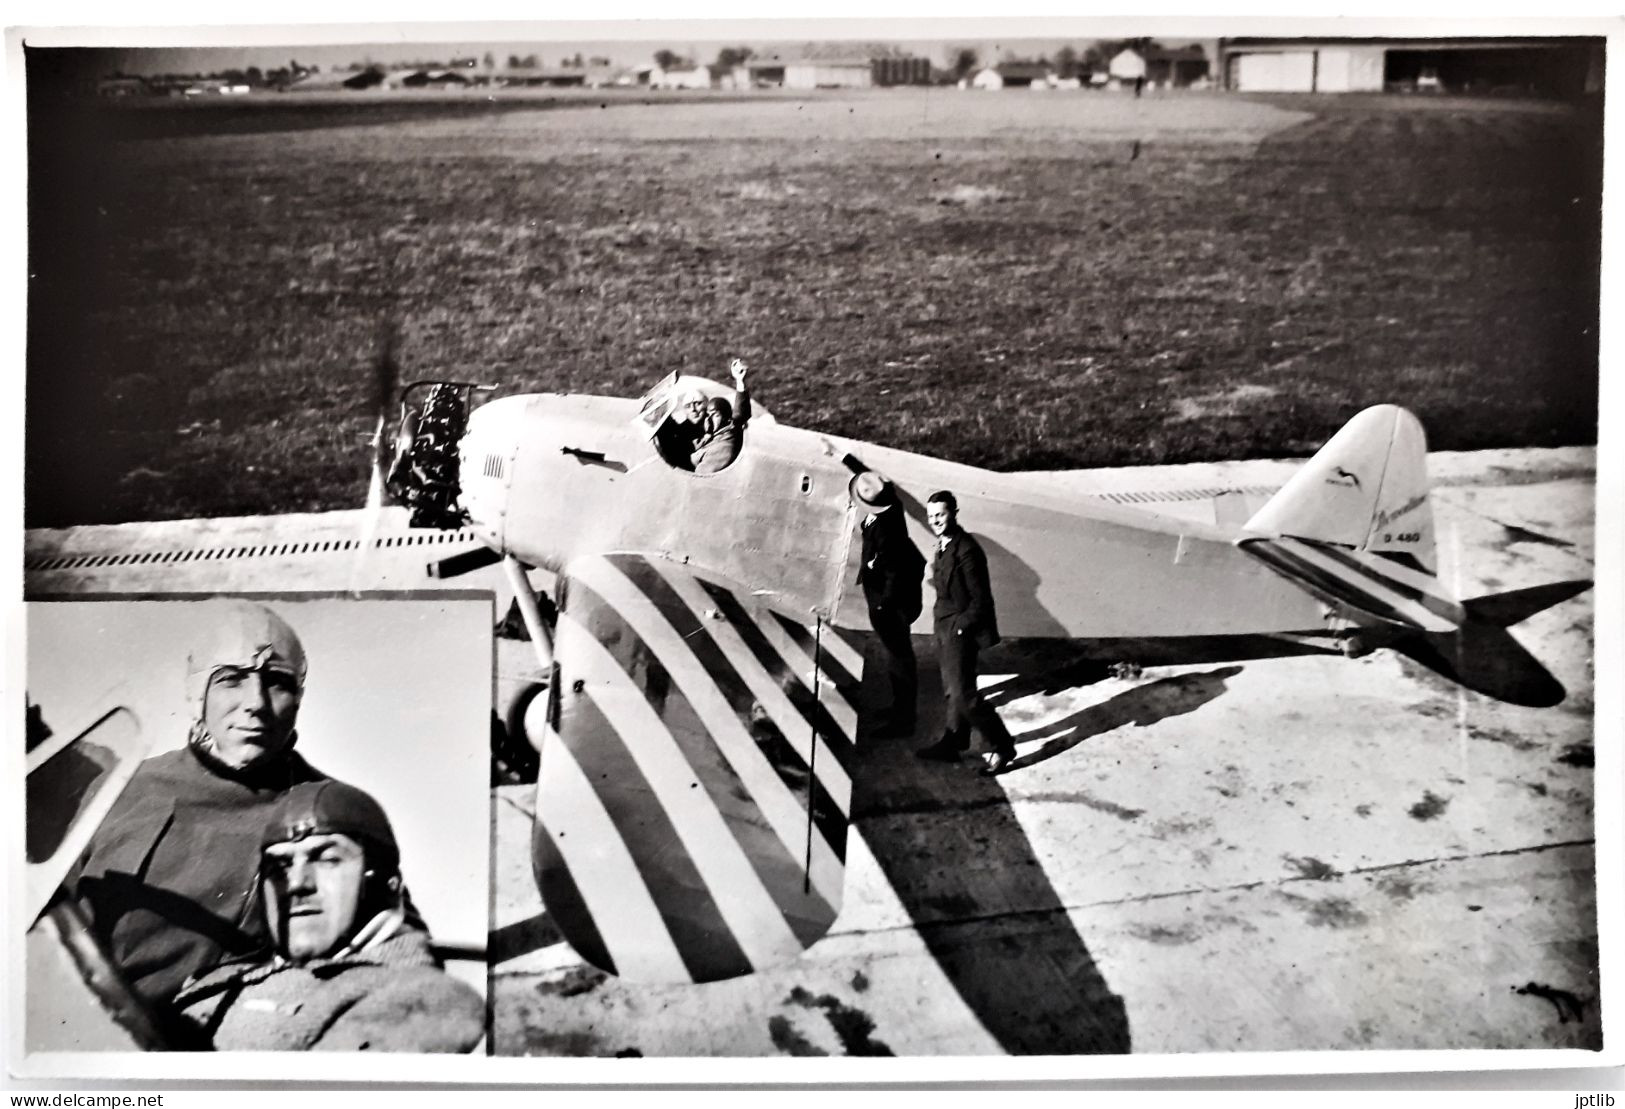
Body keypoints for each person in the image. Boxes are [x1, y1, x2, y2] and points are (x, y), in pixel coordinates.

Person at [69, 599, 423, 1032]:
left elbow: (399, 934)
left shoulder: (322, 810)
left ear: (298, 699)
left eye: (277, 682)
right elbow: (48, 915)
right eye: (231, 681)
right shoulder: (123, 787)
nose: (255, 703)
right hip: (77, 1021)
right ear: (197, 695)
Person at [172, 780, 483, 1053]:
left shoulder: (425, 998)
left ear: (386, 885)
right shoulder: (218, 978)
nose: (296, 884)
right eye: (280, 867)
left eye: (328, 859)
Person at [916, 491, 1018, 776]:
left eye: (941, 514)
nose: (936, 520)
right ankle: (954, 741)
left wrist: (961, 629)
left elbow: (981, 601)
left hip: (959, 630)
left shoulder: (967, 550)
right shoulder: (943, 544)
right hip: (945, 626)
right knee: (952, 690)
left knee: (964, 695)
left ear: (955, 513)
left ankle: (1002, 746)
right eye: (932, 516)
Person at [852, 472, 924, 738]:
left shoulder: (883, 527)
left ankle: (903, 721)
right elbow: (872, 482)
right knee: (898, 659)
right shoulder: (891, 505)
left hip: (891, 605)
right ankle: (899, 710)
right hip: (893, 601)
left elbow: (893, 573)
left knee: (900, 661)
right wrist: (841, 456)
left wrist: (882, 606)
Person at [669, 358, 752, 473]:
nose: (693, 410)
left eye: (697, 404)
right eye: (688, 406)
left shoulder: (725, 438)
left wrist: (740, 381)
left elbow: (740, 414)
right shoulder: (690, 428)